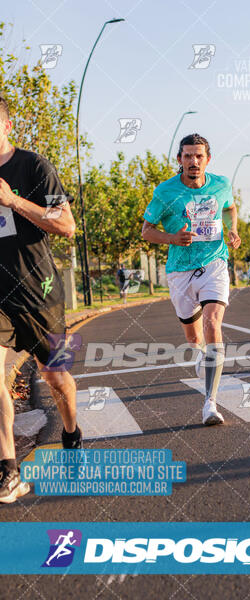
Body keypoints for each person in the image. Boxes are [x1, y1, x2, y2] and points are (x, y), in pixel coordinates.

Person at [0, 95, 81, 503]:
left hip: (38, 291)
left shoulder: (34, 167)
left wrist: (13, 200)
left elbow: (66, 225)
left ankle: (70, 431)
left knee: (55, 379)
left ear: (8, 126)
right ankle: (9, 471)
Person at [142, 133, 241, 426]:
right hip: (180, 270)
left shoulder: (222, 184)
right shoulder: (165, 192)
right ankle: (199, 354)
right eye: (188, 156)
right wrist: (172, 237)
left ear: (207, 160)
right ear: (179, 160)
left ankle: (210, 403)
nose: (193, 161)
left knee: (212, 323)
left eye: (198, 156)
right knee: (193, 336)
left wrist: (232, 229)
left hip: (214, 263)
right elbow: (147, 230)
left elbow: (230, 208)